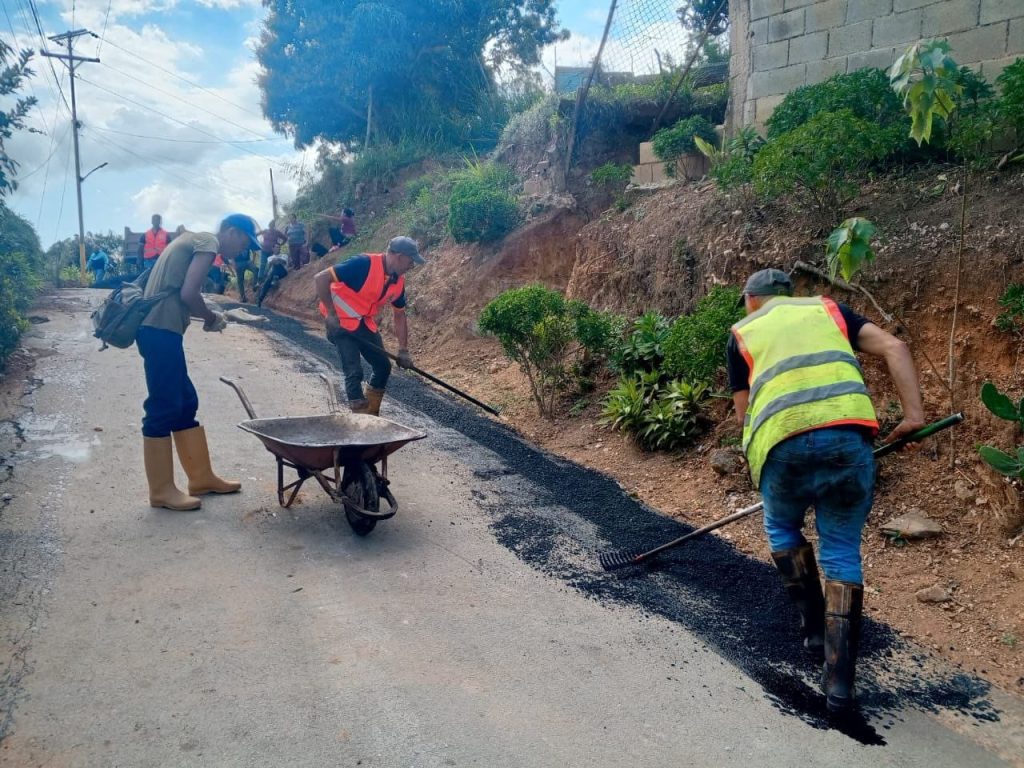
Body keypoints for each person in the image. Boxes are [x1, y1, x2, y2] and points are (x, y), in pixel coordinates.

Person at [727, 268, 925, 714]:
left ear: (752, 300)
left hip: (783, 444)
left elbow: (743, 416)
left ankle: (814, 629)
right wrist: (913, 415)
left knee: (781, 524)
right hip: (848, 440)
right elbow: (895, 346)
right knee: (841, 548)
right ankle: (839, 684)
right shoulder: (829, 311)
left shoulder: (744, 331)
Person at [137, 213, 260, 511]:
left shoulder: (192, 238)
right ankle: (162, 490)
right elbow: (189, 293)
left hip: (160, 328)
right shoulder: (208, 242)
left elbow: (179, 293)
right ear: (231, 232)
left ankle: (201, 478)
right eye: (244, 241)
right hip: (159, 329)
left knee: (185, 402)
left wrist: (206, 313)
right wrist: (211, 317)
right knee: (164, 406)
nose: (243, 250)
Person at [314, 236, 424, 415]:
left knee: (383, 367)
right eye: (410, 261)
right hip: (340, 323)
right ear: (399, 256)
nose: (412, 265)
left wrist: (403, 350)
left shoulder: (398, 281)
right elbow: (320, 279)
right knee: (354, 372)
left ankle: (371, 414)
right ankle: (359, 418)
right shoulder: (363, 264)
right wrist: (332, 315)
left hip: (363, 322)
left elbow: (399, 314)